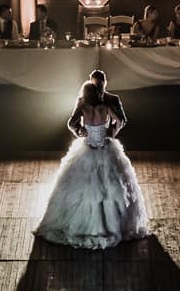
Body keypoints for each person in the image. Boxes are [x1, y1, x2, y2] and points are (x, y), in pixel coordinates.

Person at [34, 80, 150, 250]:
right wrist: (112, 131)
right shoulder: (105, 107)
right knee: (110, 189)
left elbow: (71, 123)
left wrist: (79, 132)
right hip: (105, 146)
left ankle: (84, 225)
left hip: (87, 146)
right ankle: (110, 225)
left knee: (81, 189)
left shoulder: (83, 107)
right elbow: (120, 121)